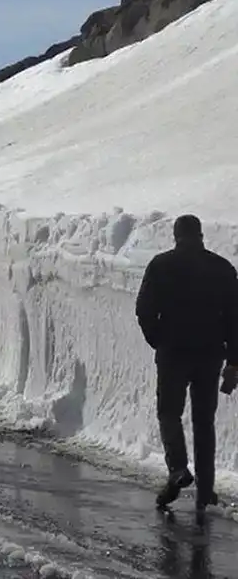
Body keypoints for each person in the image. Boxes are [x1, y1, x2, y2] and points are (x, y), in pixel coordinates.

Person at [135, 214, 238, 513]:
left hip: (173, 354)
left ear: (176, 235)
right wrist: (233, 361)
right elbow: (235, 319)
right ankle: (206, 491)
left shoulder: (161, 265)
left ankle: (178, 469)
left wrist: (159, 338)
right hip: (209, 355)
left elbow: (143, 309)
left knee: (169, 413)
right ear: (201, 235)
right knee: (204, 423)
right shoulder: (222, 268)